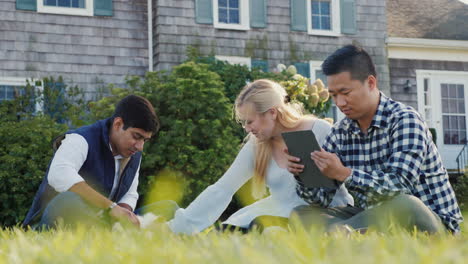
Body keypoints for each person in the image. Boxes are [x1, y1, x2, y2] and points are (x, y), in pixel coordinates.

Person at [287, 45, 464, 234]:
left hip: (428, 220)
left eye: (345, 93)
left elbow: (399, 186)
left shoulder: (405, 120)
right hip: (373, 216)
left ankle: (340, 234)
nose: (339, 103)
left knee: (405, 203)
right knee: (302, 213)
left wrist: (345, 174)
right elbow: (320, 200)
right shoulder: (340, 132)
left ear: (371, 83)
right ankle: (350, 234)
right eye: (334, 95)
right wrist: (304, 174)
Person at [167, 79, 354, 234]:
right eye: (244, 123)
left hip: (325, 213)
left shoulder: (319, 130)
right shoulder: (257, 145)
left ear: (272, 113)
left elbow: (345, 179)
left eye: (250, 121)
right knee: (226, 231)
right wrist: (178, 227)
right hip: (276, 209)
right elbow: (222, 189)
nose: (248, 129)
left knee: (264, 228)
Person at [23, 95, 159, 229]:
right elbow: (58, 176)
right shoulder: (80, 139)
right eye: (136, 136)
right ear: (118, 124)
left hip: (105, 222)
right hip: (56, 219)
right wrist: (111, 207)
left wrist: (124, 217)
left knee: (169, 208)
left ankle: (116, 233)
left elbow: (130, 194)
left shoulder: (133, 152)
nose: (140, 146)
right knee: (68, 201)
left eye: (145, 140)